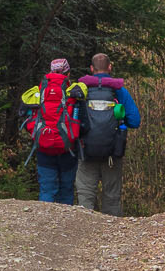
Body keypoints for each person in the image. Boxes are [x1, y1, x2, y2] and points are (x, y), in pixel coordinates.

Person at [74, 52, 141, 215]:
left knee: (85, 195)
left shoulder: (82, 90)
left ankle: (83, 233)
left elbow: (72, 119)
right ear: (110, 67)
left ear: (91, 68)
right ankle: (113, 236)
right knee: (111, 196)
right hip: (112, 151)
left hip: (86, 150)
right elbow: (135, 121)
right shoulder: (119, 91)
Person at [18, 57, 83, 204]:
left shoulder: (37, 92)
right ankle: (65, 225)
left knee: (47, 190)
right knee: (66, 190)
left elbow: (23, 114)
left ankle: (45, 224)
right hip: (68, 149)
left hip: (44, 147)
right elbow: (82, 120)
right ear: (68, 74)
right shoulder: (74, 92)